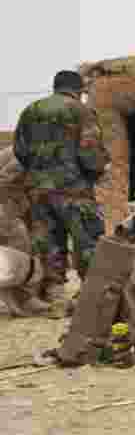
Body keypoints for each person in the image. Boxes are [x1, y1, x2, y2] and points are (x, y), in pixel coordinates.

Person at [13, 70, 110, 316]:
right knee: (87, 242)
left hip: (39, 191)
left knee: (48, 244)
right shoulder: (81, 111)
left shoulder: (31, 111)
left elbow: (20, 151)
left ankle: (55, 299)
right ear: (78, 90)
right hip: (74, 190)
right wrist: (97, 171)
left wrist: (38, 172)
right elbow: (91, 153)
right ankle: (90, 300)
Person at [0, 146, 48, 316]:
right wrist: (19, 206)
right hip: (5, 203)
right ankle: (24, 300)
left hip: (11, 202)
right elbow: (4, 181)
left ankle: (28, 296)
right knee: (19, 242)